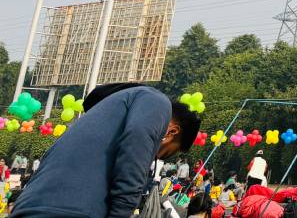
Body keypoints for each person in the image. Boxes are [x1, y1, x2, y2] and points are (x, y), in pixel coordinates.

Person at [12, 83, 201, 218]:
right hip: (71, 210)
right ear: (171, 132)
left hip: (31, 206)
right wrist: (122, 211)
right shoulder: (157, 101)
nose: (153, 157)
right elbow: (137, 139)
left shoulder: (110, 113)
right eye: (164, 153)